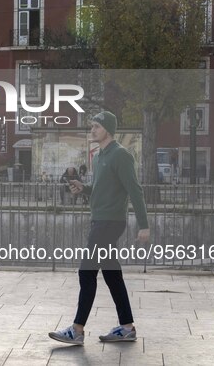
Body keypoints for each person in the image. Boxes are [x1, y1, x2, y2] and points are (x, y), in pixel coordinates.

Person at [49, 111, 150, 346]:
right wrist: (83, 188)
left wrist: (144, 225)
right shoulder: (100, 156)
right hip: (100, 220)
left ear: (108, 129)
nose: (92, 130)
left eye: (97, 126)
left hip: (109, 223)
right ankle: (127, 327)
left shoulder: (121, 155)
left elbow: (135, 191)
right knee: (112, 275)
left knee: (86, 272)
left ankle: (77, 330)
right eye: (91, 126)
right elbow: (101, 188)